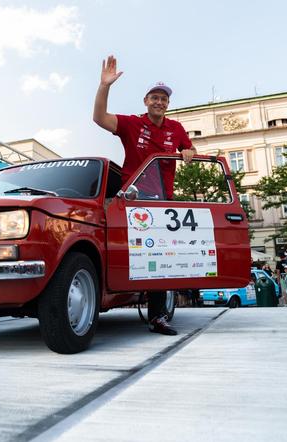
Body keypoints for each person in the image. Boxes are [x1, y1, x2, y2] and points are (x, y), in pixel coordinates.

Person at [93, 55, 196, 335]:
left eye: (163, 98)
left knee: (160, 255)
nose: (159, 102)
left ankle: (157, 317)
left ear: (168, 104)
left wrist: (189, 152)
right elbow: (99, 118)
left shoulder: (176, 128)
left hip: (162, 202)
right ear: (145, 101)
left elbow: (190, 150)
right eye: (154, 97)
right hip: (133, 199)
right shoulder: (131, 124)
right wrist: (105, 86)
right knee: (126, 249)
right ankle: (103, 297)